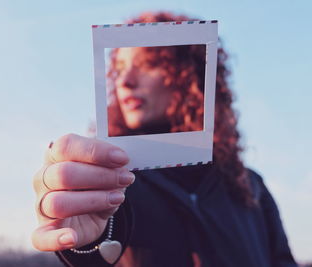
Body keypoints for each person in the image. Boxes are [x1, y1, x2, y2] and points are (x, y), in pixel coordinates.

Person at [32, 12, 298, 267]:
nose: (125, 81)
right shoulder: (111, 182)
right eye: (120, 68)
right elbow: (96, 255)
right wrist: (82, 240)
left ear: (189, 74)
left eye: (147, 63)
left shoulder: (251, 187)